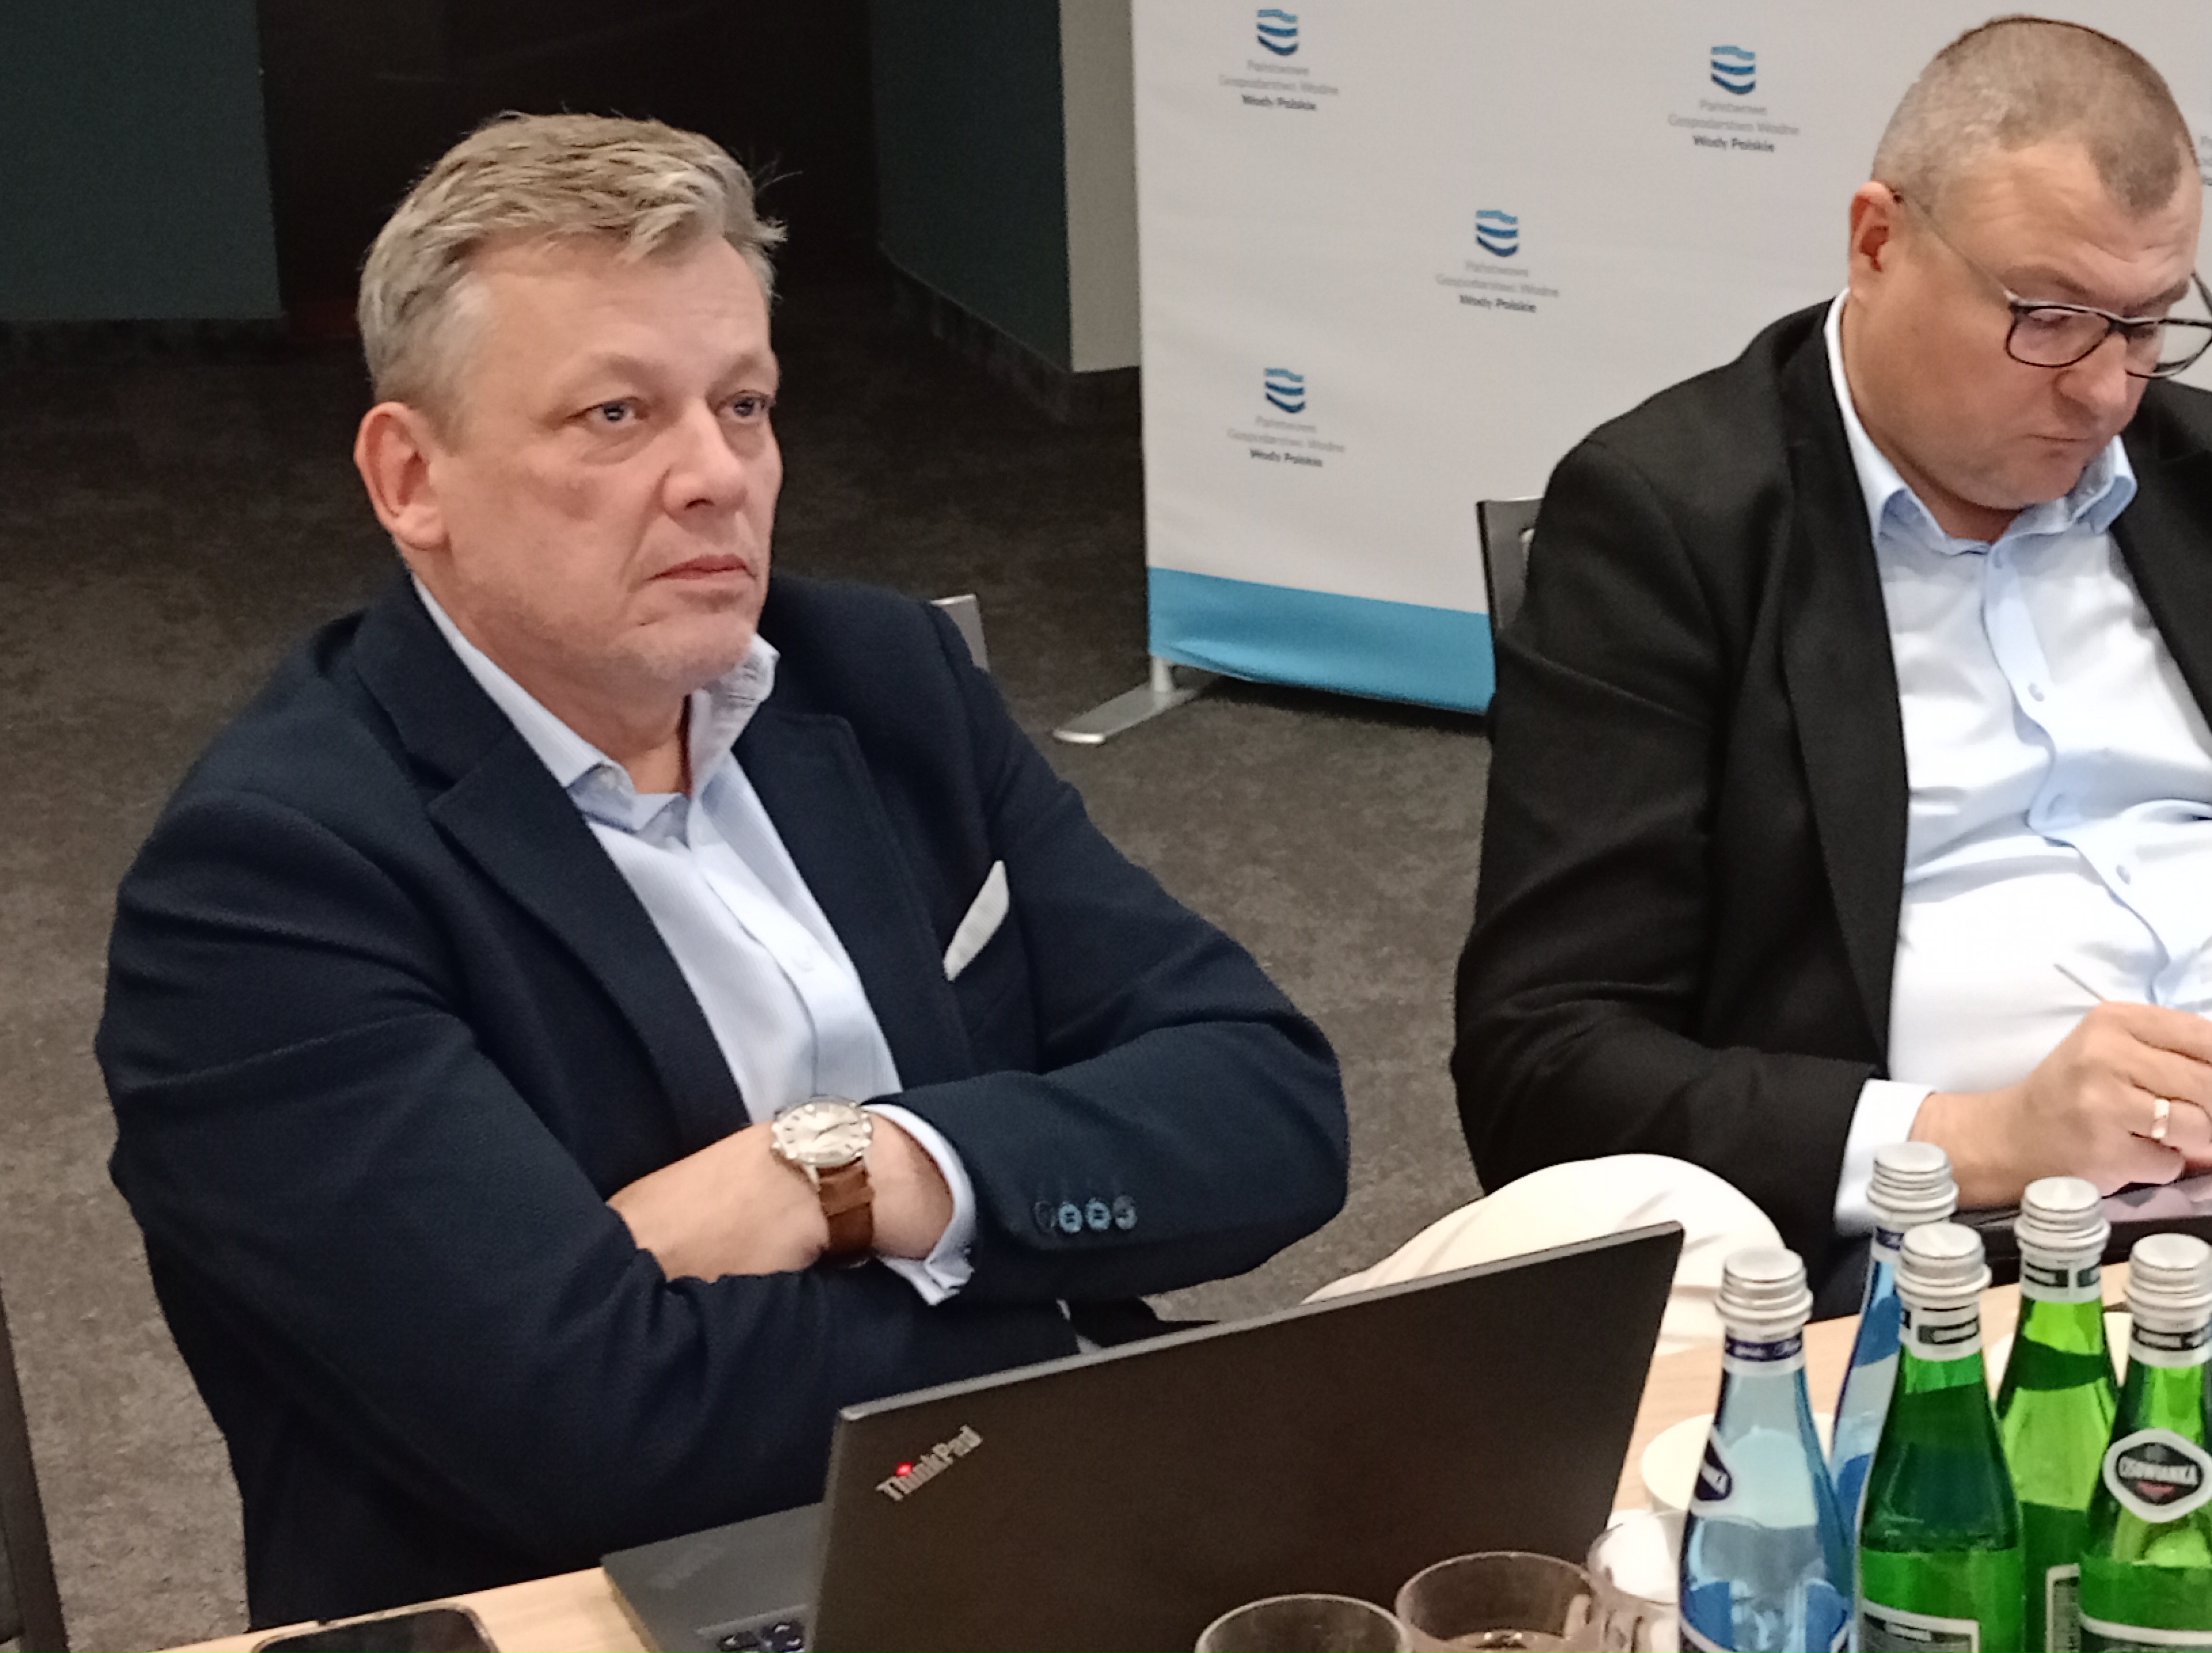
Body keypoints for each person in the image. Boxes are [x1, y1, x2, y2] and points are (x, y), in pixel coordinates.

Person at [98, 116, 1772, 1627]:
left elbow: (1269, 1103)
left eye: (742, 404)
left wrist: (860, 1173)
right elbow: (584, 1424)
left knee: (1667, 1217)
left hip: (1049, 1505)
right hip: (648, 1588)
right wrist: (1062, 1336)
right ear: (411, 480)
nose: (715, 475)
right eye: (617, 415)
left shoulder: (871, 680)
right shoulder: (269, 884)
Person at [1454, 17, 2212, 1281]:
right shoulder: (1674, 522)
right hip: (1963, 1260)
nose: (2106, 393)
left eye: (2147, 324)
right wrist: (1976, 1140)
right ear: (1878, 242)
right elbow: (1546, 1058)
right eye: (2048, 319)